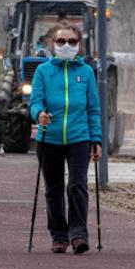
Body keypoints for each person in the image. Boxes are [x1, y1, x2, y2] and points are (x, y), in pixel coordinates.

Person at [28, 21, 102, 255]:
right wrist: (39, 114)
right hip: (49, 138)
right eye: (61, 41)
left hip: (79, 138)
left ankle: (78, 234)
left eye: (72, 41)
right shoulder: (43, 71)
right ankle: (58, 235)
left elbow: (94, 108)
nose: (66, 45)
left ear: (79, 45)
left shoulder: (86, 72)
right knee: (54, 189)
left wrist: (96, 140)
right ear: (53, 44)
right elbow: (35, 101)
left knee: (77, 186)